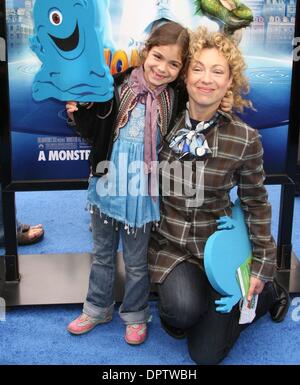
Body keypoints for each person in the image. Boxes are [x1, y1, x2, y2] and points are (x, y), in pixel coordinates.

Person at [148, 27, 290, 364]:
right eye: (198, 68)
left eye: (217, 71)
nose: (206, 79)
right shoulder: (161, 121)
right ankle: (190, 307)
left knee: (205, 355)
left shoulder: (244, 139)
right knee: (180, 312)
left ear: (229, 83)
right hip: (172, 245)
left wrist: (261, 269)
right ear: (185, 77)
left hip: (219, 249)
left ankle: (268, 293)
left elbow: (256, 203)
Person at [65, 22, 191, 345]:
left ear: (181, 69)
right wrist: (77, 113)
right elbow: (95, 129)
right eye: (158, 57)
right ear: (145, 51)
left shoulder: (176, 101)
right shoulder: (117, 86)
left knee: (136, 262)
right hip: (106, 184)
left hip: (142, 193)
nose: (162, 68)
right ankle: (97, 308)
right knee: (102, 253)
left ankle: (135, 313)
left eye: (173, 64)